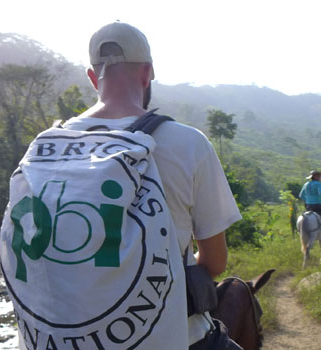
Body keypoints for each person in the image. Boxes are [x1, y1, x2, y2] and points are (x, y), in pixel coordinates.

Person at [59, 22, 240, 348]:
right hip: (180, 336)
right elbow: (215, 262)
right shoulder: (189, 144)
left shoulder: (49, 147)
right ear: (148, 73)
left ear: (91, 77)